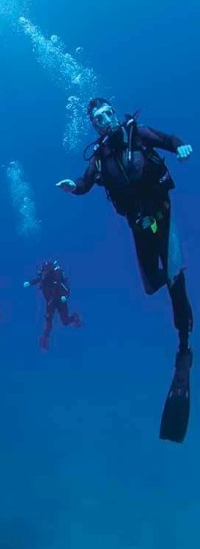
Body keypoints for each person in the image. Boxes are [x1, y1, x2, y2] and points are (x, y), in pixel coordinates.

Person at [56, 97, 194, 442]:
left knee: (174, 279)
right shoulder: (99, 157)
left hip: (162, 216)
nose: (105, 119)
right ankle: (176, 295)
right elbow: (85, 183)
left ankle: (184, 344)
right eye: (98, 118)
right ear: (94, 126)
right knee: (151, 284)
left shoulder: (138, 133)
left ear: (114, 113)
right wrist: (73, 188)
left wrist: (181, 147)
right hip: (139, 225)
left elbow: (169, 139)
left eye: (107, 113)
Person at [23, 260, 82, 350]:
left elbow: (66, 290)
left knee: (65, 322)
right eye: (43, 271)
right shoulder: (43, 278)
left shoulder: (56, 278)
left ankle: (74, 317)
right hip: (50, 303)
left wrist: (65, 297)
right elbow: (37, 280)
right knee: (48, 321)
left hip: (60, 302)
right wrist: (29, 283)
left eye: (45, 271)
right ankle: (45, 338)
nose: (44, 273)